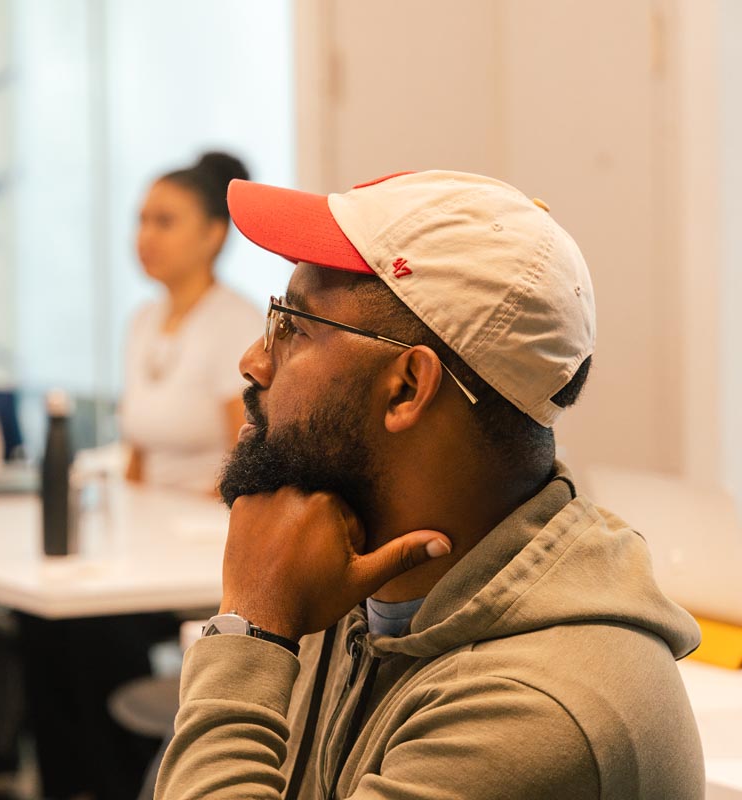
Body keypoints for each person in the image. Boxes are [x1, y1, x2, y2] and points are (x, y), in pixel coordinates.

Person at [155, 171, 703, 798]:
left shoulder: (535, 710)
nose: (252, 361)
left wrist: (249, 627)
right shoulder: (347, 586)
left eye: (294, 326)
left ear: (408, 387)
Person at [120, 152, 263, 494]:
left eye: (165, 222)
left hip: (205, 527)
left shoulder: (237, 323)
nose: (146, 236)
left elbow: (246, 460)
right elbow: (138, 454)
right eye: (142, 221)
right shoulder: (142, 320)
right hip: (150, 522)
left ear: (214, 234)